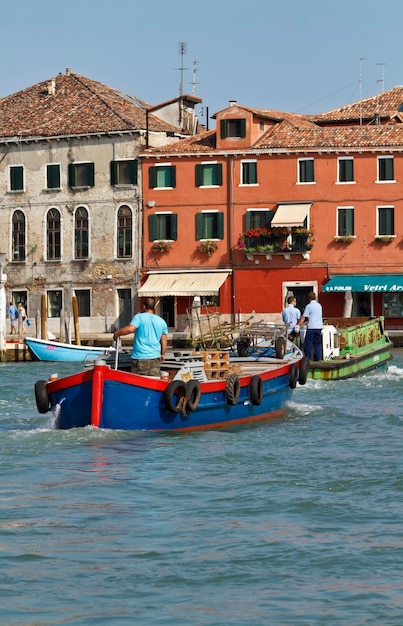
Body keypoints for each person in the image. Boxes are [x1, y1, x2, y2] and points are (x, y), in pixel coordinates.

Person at [113, 296, 168, 376]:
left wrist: (117, 333)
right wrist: (163, 354)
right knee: (153, 382)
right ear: (154, 307)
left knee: (138, 382)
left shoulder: (139, 317)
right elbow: (164, 340)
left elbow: (130, 329)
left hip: (141, 357)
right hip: (155, 357)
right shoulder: (161, 321)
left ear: (144, 306)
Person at [298, 291, 323, 360]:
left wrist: (298, 325)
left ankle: (307, 358)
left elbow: (304, 317)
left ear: (308, 298)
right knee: (317, 344)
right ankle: (319, 358)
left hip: (312, 327)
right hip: (319, 327)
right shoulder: (319, 305)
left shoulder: (308, 306)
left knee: (308, 343)